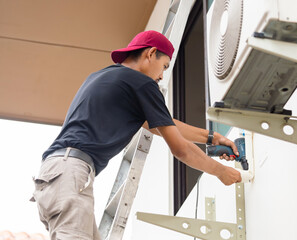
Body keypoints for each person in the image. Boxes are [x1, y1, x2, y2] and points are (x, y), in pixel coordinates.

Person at [31, 30, 242, 239]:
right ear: (150, 54)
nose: (161, 76)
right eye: (164, 67)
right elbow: (180, 148)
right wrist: (220, 171)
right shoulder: (141, 83)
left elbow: (162, 124)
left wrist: (212, 137)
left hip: (58, 174)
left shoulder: (107, 77)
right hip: (70, 173)